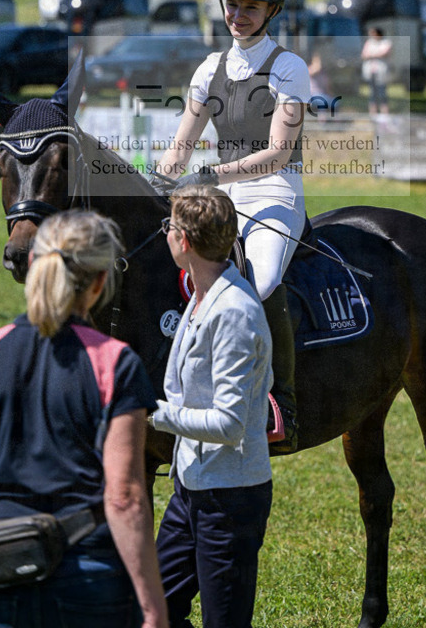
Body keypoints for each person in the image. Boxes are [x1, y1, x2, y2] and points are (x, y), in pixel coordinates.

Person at [0, 210, 168, 628]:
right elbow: (125, 498)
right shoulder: (115, 363)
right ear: (99, 283)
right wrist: (153, 609)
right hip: (88, 573)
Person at [157, 0, 310, 452]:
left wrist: (210, 173)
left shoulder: (289, 67)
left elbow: (277, 152)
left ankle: (280, 403)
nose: (237, 14)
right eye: (232, 4)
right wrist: (156, 180)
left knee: (260, 281)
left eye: (250, 6)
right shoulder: (209, 68)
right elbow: (182, 146)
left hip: (274, 191)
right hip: (221, 195)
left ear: (272, 11)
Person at [153, 185, 273, 628]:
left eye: (170, 227)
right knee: (153, 609)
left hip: (230, 499)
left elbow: (229, 422)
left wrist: (151, 412)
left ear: (183, 241)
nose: (165, 233)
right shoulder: (202, 293)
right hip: (190, 488)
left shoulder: (235, 312)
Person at [361, 25, 392, 116]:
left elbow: (384, 53)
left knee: (382, 92)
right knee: (372, 93)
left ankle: (384, 114)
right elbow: (364, 55)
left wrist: (372, 55)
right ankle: (373, 114)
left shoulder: (386, 42)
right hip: (370, 71)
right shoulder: (369, 43)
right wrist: (374, 54)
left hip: (381, 71)